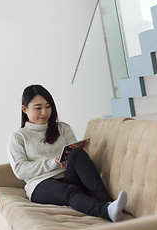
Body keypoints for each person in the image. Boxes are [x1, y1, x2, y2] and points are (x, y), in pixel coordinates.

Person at [7, 84, 127, 222]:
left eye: (48, 106)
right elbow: (20, 170)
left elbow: (78, 159)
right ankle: (106, 211)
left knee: (77, 153)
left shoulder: (63, 129)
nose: (44, 112)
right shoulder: (18, 137)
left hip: (66, 177)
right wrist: (52, 163)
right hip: (40, 183)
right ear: (24, 109)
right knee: (71, 192)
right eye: (38, 108)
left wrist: (75, 155)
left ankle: (109, 203)